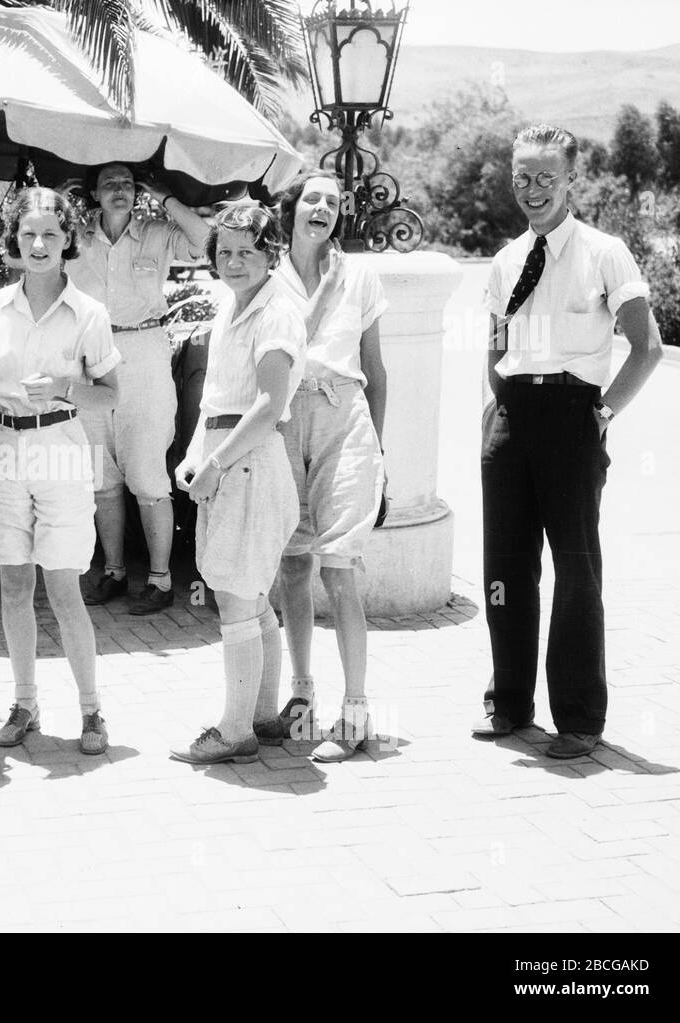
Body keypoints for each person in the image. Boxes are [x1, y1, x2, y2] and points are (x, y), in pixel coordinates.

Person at [474, 124, 662, 759]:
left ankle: (579, 720)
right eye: (522, 177)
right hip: (511, 418)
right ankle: (509, 705)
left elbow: (648, 347)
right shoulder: (504, 259)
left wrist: (603, 412)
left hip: (572, 418)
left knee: (576, 569)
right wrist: (491, 411)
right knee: (504, 569)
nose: (532, 190)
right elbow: (494, 346)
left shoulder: (606, 252)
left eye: (546, 177)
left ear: (569, 180)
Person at [0, 188, 122, 756]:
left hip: (61, 449)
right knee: (15, 585)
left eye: (51, 233)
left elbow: (110, 395)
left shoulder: (90, 313)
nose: (38, 244)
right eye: (28, 233)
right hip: (5, 450)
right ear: (12, 240)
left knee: (64, 587)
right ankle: (24, 704)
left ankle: (92, 711)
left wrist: (63, 388)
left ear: (67, 240)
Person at [170, 203, 305, 766]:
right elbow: (217, 401)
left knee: (234, 597)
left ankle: (233, 730)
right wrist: (195, 454)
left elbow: (270, 405)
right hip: (230, 457)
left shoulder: (279, 312)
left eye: (248, 251)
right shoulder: (233, 306)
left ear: (272, 253)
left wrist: (217, 464)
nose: (234, 261)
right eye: (224, 251)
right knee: (250, 595)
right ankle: (263, 714)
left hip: (248, 464)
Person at [261, 169, 388, 763]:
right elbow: (286, 352)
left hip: (344, 418)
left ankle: (356, 713)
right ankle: (302, 695)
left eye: (335, 202)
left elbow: (376, 369)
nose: (324, 208)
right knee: (291, 563)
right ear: (293, 208)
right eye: (313, 198)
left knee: (338, 569)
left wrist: (377, 454)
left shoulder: (359, 275)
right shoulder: (267, 276)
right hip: (285, 419)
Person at [67, 162, 209, 615]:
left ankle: (161, 580)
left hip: (143, 349)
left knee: (148, 473)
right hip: (88, 354)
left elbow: (206, 241)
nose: (119, 191)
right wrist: (55, 192)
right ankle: (112, 572)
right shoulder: (76, 235)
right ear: (94, 192)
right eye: (109, 184)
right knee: (100, 477)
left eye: (127, 184)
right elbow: (23, 245)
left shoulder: (158, 232)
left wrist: (164, 196)